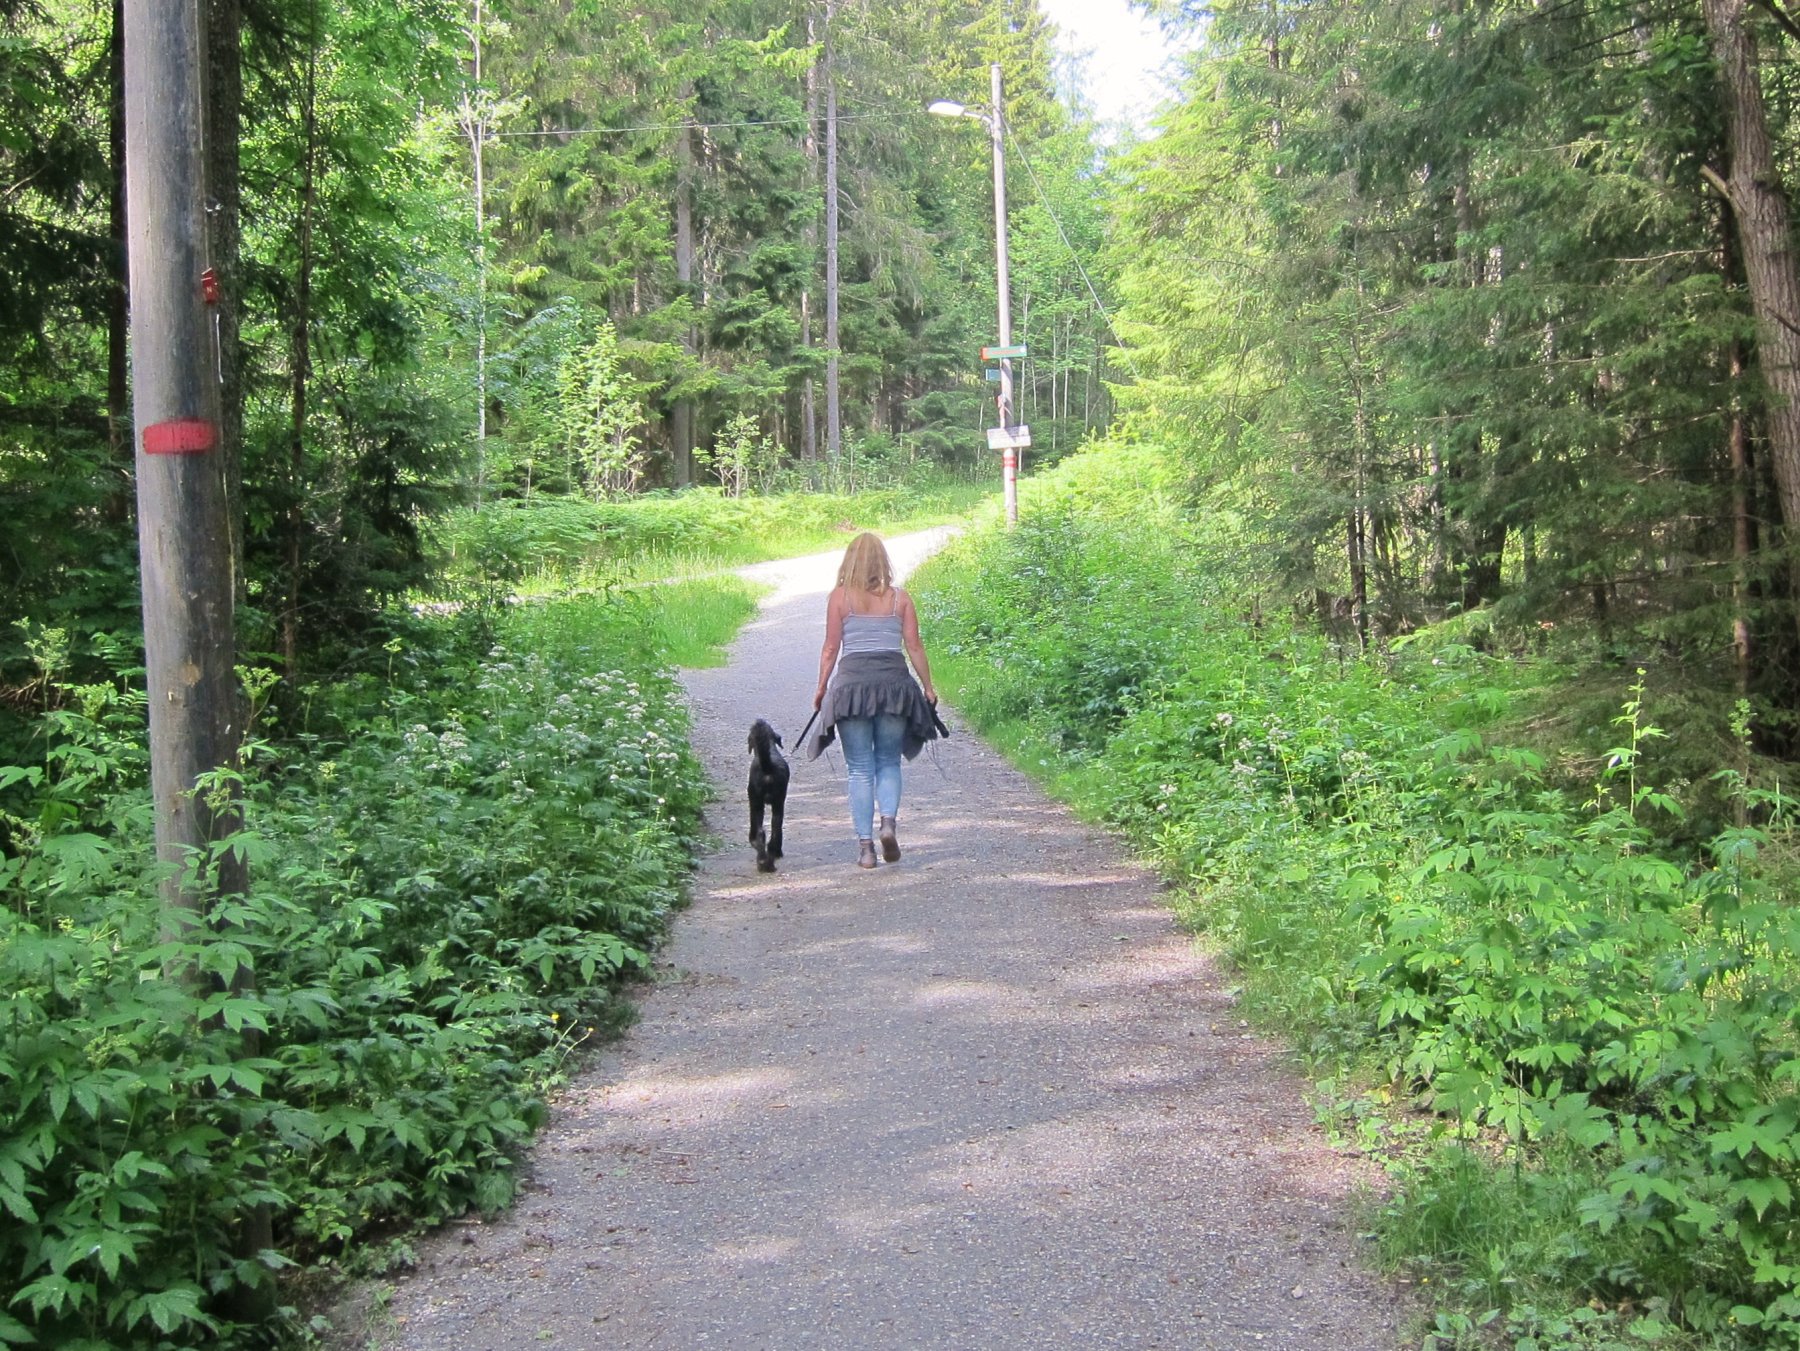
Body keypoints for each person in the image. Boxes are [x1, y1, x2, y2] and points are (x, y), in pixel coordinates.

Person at [807, 532, 941, 869]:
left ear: (849, 561)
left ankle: (866, 849)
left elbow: (830, 648)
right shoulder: (900, 599)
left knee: (860, 769)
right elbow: (914, 646)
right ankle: (889, 824)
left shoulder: (840, 598)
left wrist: (822, 688)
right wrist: (928, 686)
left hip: (852, 689)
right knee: (888, 760)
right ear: (883, 562)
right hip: (894, 687)